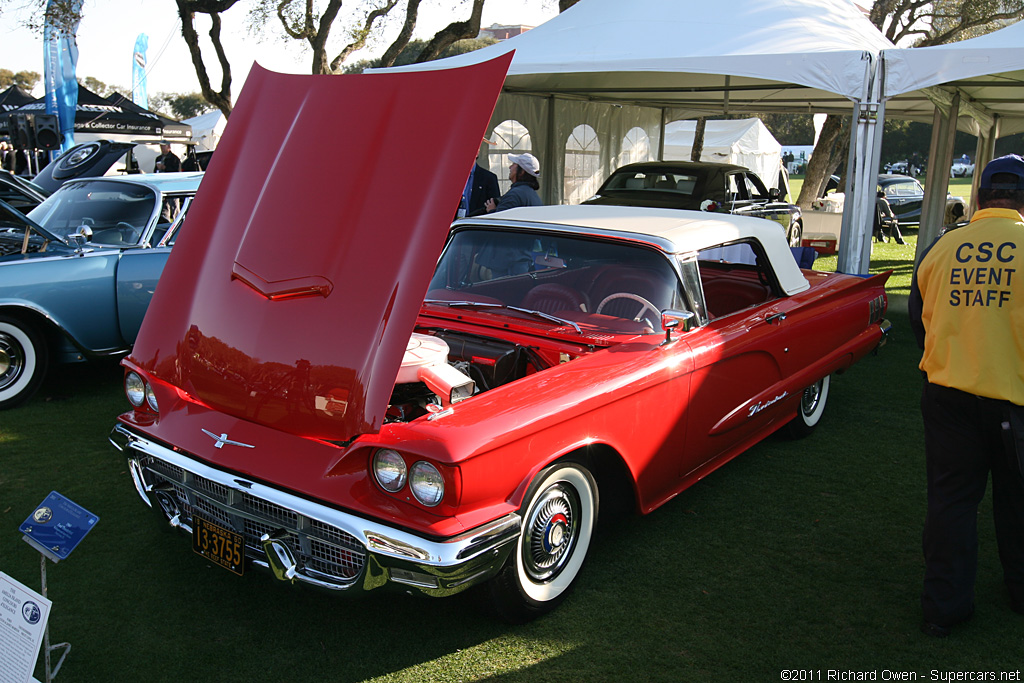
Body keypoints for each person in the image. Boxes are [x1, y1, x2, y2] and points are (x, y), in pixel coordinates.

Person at [909, 154, 1024, 638]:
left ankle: (943, 607)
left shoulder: (941, 247)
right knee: (1019, 503)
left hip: (949, 396)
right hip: (1016, 402)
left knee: (951, 503)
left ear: (978, 198)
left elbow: (920, 323)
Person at [471, 153, 542, 215]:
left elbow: (499, 224)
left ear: (522, 172)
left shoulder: (514, 195)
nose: (510, 167)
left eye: (514, 164)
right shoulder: (533, 195)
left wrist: (491, 211)